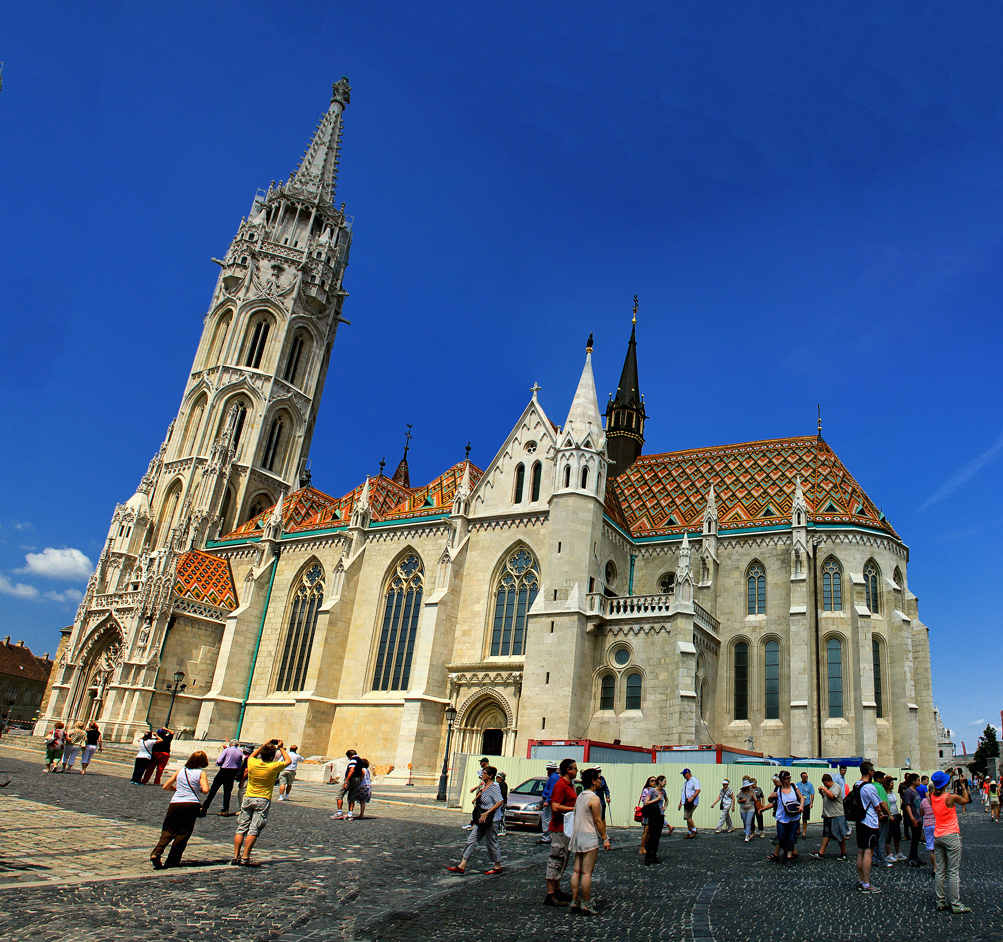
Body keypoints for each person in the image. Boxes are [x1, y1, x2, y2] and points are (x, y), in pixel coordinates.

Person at [233, 738, 292, 867]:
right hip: (262, 799)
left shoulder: (252, 762)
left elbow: (251, 755)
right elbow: (288, 761)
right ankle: (245, 857)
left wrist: (263, 745)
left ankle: (236, 856)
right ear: (272, 756)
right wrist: (281, 748)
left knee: (241, 828)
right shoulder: (273, 766)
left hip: (248, 797)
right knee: (253, 829)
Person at [150, 751, 209, 869]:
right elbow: (206, 790)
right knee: (183, 833)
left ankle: (157, 852)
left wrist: (176, 789)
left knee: (168, 830)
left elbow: (166, 786)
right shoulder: (201, 773)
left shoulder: (180, 771)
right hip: (191, 804)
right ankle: (172, 860)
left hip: (175, 803)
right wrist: (200, 789)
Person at [446, 764, 505, 875]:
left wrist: (487, 813)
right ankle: (462, 865)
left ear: (491, 775)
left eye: (485, 773)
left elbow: (500, 802)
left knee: (492, 842)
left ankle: (497, 866)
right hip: (481, 818)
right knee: (472, 839)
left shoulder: (494, 786)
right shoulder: (484, 786)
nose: (482, 774)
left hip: (491, 819)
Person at [568, 768, 611, 915]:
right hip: (589, 836)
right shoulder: (594, 798)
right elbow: (598, 821)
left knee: (576, 870)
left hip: (578, 835)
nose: (600, 781)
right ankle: (586, 904)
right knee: (587, 873)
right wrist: (605, 838)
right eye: (599, 779)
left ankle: (575, 900)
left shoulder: (580, 796)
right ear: (593, 781)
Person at [930, 768, 971, 913]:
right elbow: (966, 800)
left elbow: (938, 787)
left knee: (940, 870)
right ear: (946, 784)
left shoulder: (931, 796)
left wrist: (950, 775)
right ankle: (955, 903)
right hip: (951, 834)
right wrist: (963, 785)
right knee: (953, 871)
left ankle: (940, 901)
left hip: (938, 835)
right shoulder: (950, 797)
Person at [543, 757, 578, 907]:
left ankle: (557, 891)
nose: (577, 770)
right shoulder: (561, 785)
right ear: (568, 770)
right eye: (575, 768)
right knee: (555, 859)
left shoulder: (571, 784)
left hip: (567, 828)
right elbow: (555, 807)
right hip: (559, 828)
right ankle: (550, 895)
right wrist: (574, 809)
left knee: (562, 858)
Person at [852, 760, 885, 893]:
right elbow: (877, 805)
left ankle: (861, 880)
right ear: (870, 772)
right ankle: (866, 884)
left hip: (860, 822)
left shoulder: (856, 785)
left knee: (861, 851)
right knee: (869, 852)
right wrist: (880, 814)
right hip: (870, 823)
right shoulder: (869, 787)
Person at [201, 740, 245, 816]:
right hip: (232, 772)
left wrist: (218, 764)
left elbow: (219, 760)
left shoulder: (227, 750)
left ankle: (205, 806)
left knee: (213, 789)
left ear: (230, 744)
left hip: (224, 771)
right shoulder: (240, 753)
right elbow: (239, 765)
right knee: (227, 792)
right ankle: (225, 809)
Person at [810, 773, 848, 860]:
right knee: (826, 834)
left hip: (836, 814)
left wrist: (824, 789)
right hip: (828, 814)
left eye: (826, 783)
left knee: (840, 834)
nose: (825, 785)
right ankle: (821, 853)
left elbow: (832, 796)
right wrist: (822, 792)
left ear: (830, 781)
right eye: (824, 784)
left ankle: (843, 853)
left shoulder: (836, 787)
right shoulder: (828, 788)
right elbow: (826, 796)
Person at [769, 770, 802, 863]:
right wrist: (771, 796)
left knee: (791, 837)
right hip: (782, 817)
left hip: (794, 816)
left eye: (790, 777)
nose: (789, 779)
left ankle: (789, 857)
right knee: (781, 837)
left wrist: (801, 805)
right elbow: (770, 800)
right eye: (787, 778)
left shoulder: (794, 786)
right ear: (783, 780)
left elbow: (801, 797)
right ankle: (787, 851)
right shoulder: (777, 789)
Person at [331, 749, 364, 820]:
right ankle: (350, 814)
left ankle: (339, 813)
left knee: (340, 794)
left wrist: (346, 781)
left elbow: (352, 770)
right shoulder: (360, 760)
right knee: (352, 797)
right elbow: (361, 771)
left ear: (350, 755)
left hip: (351, 779)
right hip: (357, 779)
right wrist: (360, 780)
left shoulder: (353, 759)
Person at [640, 775, 666, 865]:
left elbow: (667, 800)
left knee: (657, 836)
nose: (665, 783)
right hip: (653, 814)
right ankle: (647, 857)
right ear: (660, 782)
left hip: (660, 815)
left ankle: (654, 856)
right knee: (651, 835)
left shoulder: (663, 791)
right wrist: (656, 799)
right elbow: (646, 802)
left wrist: (664, 807)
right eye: (664, 781)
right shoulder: (652, 791)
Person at [537, 762, 560, 844]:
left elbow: (552, 790)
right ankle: (549, 836)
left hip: (549, 800)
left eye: (548, 768)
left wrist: (547, 801)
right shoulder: (555, 777)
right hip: (550, 800)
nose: (547, 770)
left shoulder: (553, 778)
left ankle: (546, 837)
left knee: (546, 818)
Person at [903, 773, 924, 867]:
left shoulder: (915, 791)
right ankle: (912, 858)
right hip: (914, 818)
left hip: (918, 817)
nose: (919, 782)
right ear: (913, 781)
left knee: (916, 839)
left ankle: (915, 856)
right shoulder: (908, 792)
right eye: (918, 780)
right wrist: (912, 818)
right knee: (914, 839)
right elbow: (907, 805)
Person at [883, 774, 903, 861]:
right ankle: (889, 853)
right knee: (889, 835)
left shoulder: (892, 793)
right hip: (890, 815)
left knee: (897, 835)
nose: (893, 785)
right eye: (891, 783)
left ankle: (897, 852)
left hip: (896, 814)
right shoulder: (885, 794)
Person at [637, 775, 657, 857]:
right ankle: (642, 847)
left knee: (650, 830)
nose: (653, 782)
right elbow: (645, 801)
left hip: (654, 811)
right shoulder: (646, 790)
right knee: (646, 829)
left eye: (655, 781)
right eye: (652, 780)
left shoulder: (656, 790)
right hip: (648, 811)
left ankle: (647, 846)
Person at [918, 784, 936, 871]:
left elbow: (922, 814)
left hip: (928, 825)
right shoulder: (938, 800)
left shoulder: (924, 801)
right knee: (939, 848)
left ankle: (934, 868)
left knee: (932, 849)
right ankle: (941, 868)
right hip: (937, 824)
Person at [678, 768, 701, 838]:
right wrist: (681, 803)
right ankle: (690, 832)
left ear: (688, 774)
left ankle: (694, 829)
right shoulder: (686, 782)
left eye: (684, 774)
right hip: (686, 802)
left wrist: (692, 798)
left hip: (692, 802)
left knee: (687, 816)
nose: (683, 776)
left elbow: (698, 790)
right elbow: (684, 793)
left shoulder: (694, 780)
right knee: (688, 817)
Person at [798, 772, 815, 839]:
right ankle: (798, 830)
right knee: (797, 818)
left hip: (806, 803)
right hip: (799, 803)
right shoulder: (798, 784)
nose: (806, 778)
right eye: (805, 777)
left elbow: (812, 794)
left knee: (805, 819)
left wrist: (811, 803)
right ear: (802, 777)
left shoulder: (810, 785)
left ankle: (804, 833)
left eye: (807, 776)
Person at [496, 771, 508, 835]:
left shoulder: (502, 784)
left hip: (502, 802)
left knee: (501, 816)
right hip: (501, 802)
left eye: (497, 777)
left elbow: (503, 793)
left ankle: (503, 830)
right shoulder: (500, 784)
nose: (496, 779)